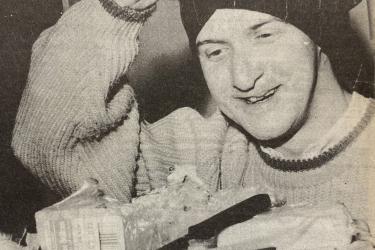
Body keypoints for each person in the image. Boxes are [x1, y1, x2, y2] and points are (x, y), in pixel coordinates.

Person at [11, 0, 375, 247]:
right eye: (215, 51)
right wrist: (118, 7)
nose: (243, 77)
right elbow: (51, 141)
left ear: (319, 37)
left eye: (264, 34)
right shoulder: (202, 154)